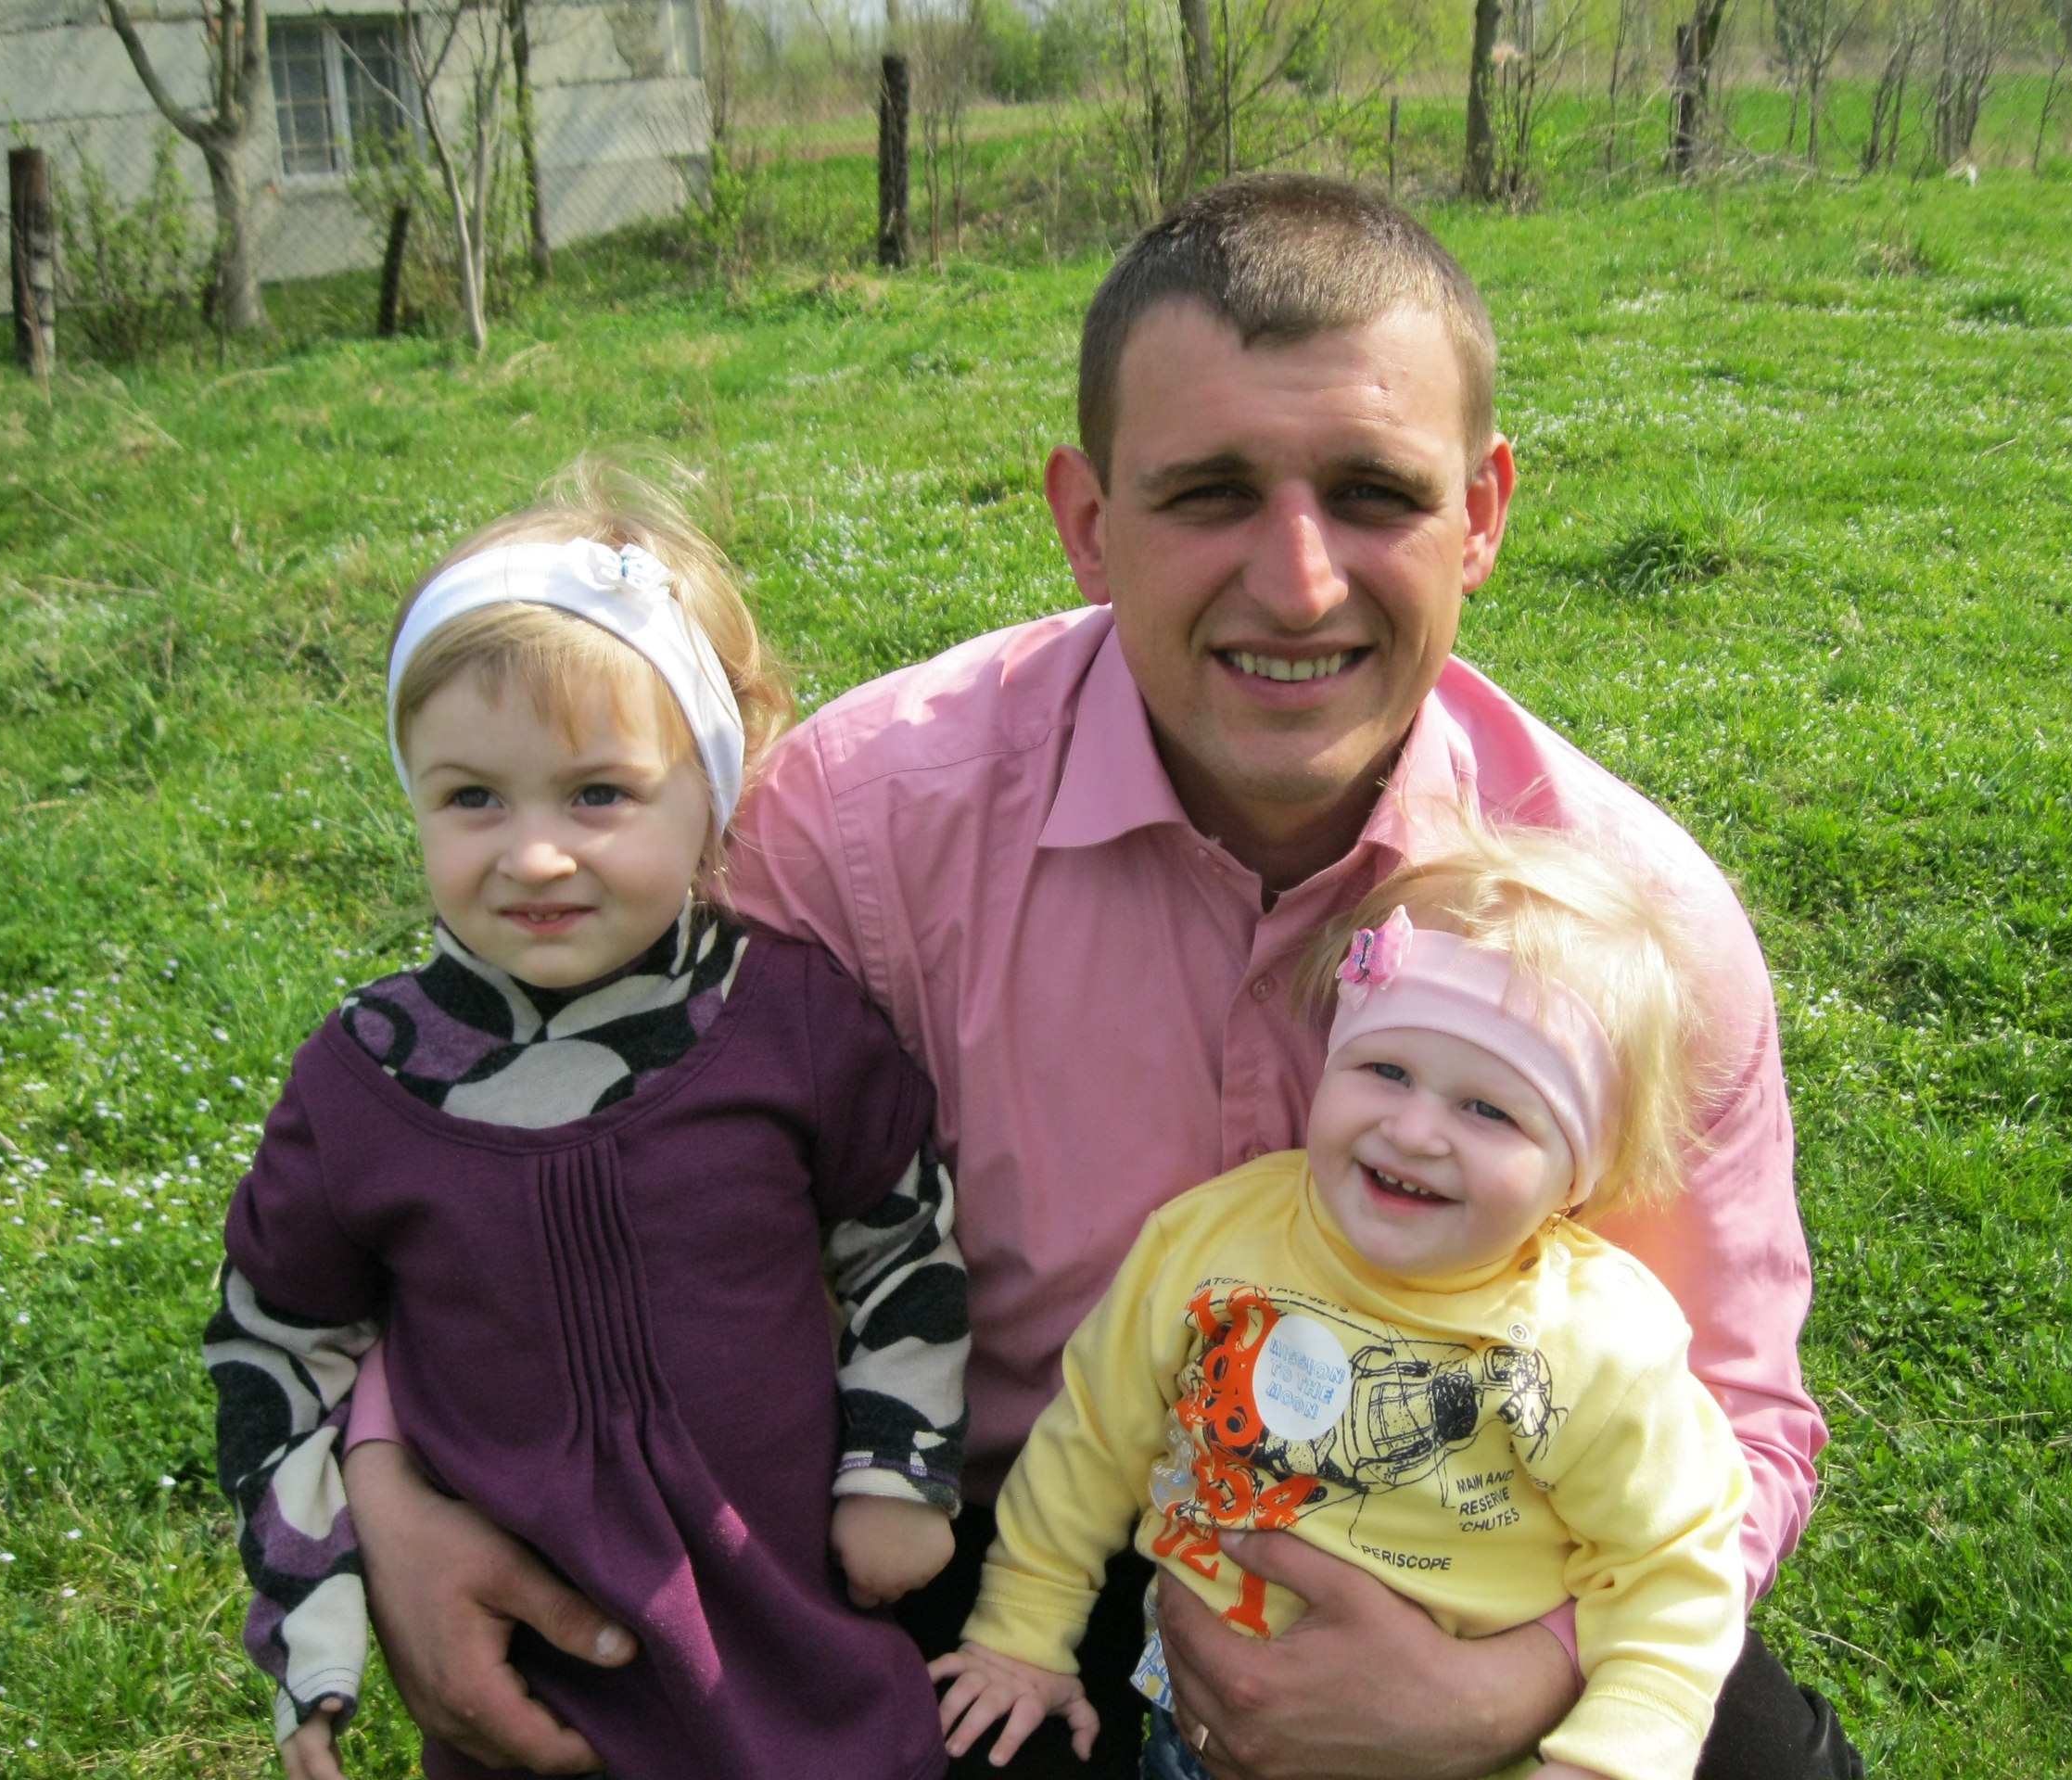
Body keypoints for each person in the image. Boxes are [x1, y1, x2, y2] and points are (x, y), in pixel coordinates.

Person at [337, 175, 1862, 1778]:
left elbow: (1739, 1413)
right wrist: (396, 1478)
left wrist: (1511, 1691)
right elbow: (564, 1137)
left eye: (1373, 494)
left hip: (1461, 1560)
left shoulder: (1630, 925)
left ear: (1479, 514)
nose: (1298, 583)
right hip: (978, 1535)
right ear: (1087, 521)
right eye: (1210, 494)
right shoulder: (865, 830)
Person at [204, 464, 968, 1780]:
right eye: (472, 798)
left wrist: (898, 1468)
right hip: (541, 1710)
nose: (534, 854)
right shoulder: (363, 1084)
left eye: (598, 794)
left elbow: (901, 1239)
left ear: (708, 791)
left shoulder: (787, 1021)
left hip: (810, 1668)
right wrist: (313, 1630)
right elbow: (277, 1348)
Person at [930, 824, 1751, 1780]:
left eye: (1489, 1109)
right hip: (1195, 1725)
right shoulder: (1211, 1240)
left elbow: (1671, 1568)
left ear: (1577, 1173)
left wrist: (1609, 1760)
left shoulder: (1595, 1344)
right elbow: (1092, 1442)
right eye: (1385, 1071)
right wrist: (1021, 1635)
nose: (1415, 1130)